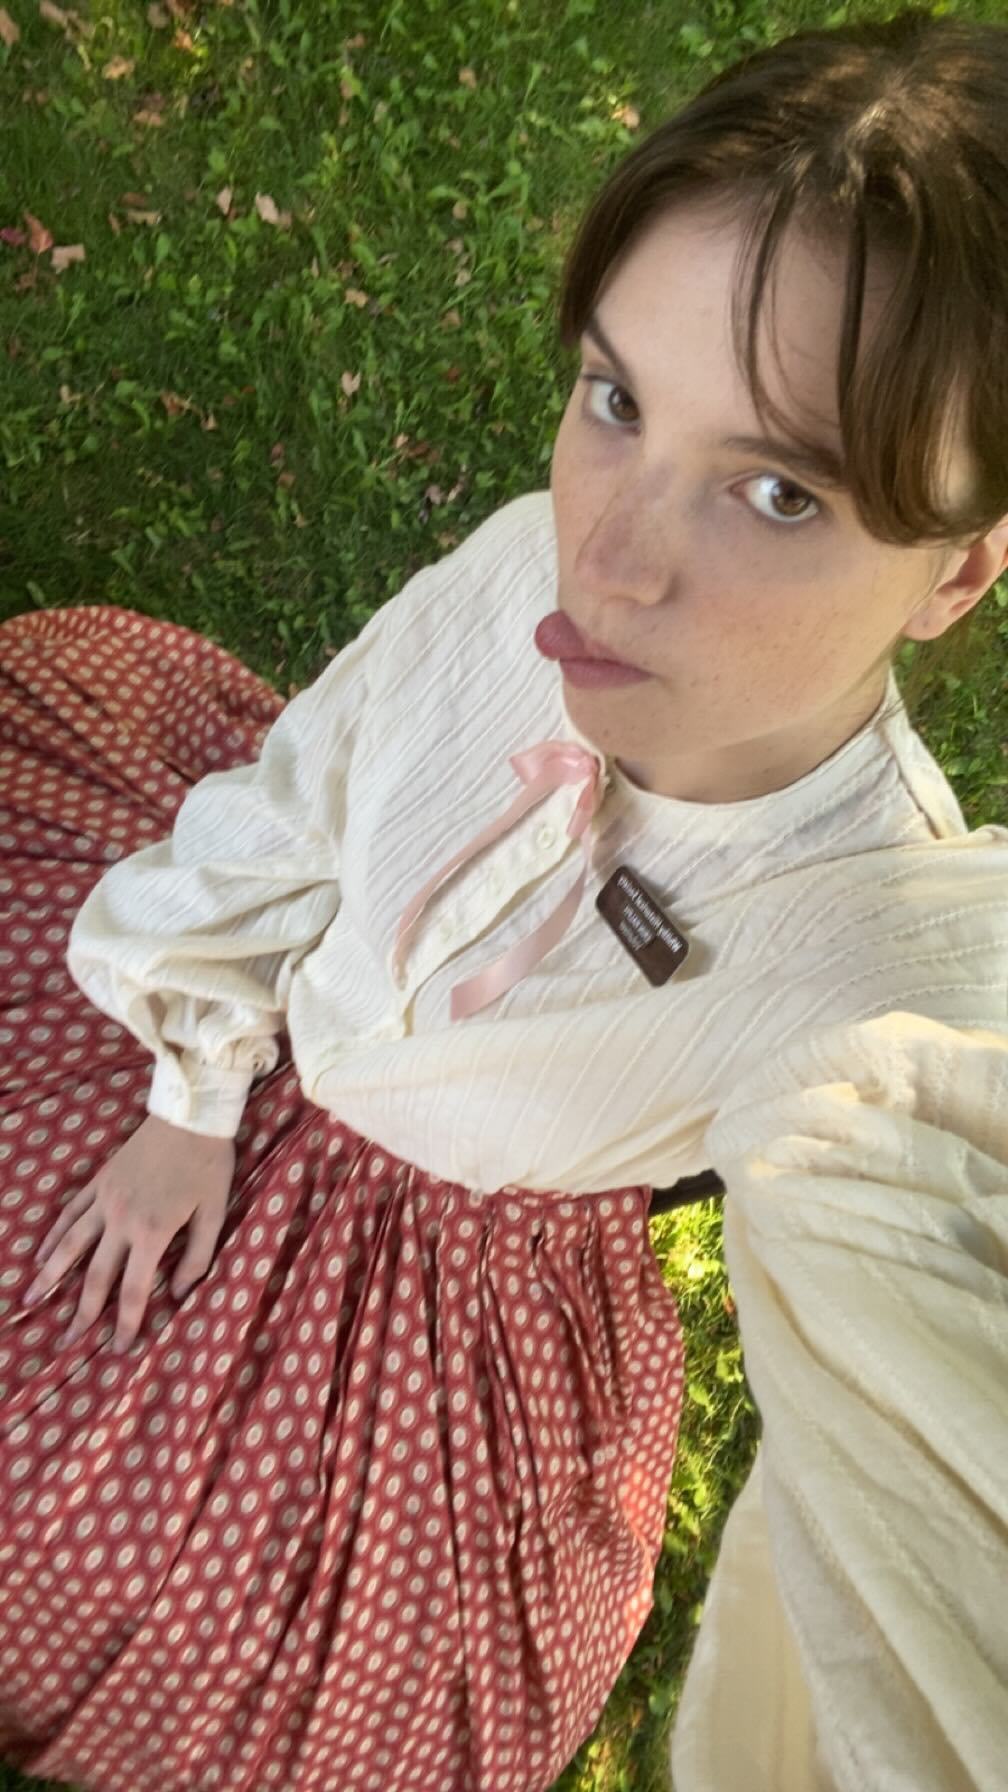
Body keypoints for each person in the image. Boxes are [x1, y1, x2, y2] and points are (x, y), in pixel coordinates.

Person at [1, 5, 1007, 1789]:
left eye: (778, 491)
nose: (604, 561)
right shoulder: (509, 575)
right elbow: (308, 790)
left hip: (445, 1277)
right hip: (250, 1010)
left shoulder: (883, 965)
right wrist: (188, 1087)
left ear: (960, 570)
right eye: (617, 398)